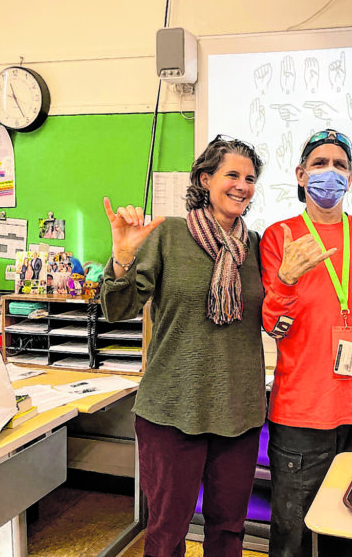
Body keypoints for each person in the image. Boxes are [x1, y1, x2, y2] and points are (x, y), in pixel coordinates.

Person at [100, 135, 266, 557]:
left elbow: (276, 313)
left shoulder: (257, 247)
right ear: (206, 179)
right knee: (167, 532)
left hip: (238, 411)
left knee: (229, 531)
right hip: (172, 410)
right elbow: (116, 309)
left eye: (250, 178)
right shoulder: (169, 235)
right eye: (232, 174)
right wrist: (121, 257)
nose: (242, 185)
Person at [260, 128, 352, 557]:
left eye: (339, 165)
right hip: (300, 414)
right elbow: (273, 325)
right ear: (301, 174)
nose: (330, 173)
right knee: (293, 535)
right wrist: (287, 278)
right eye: (320, 164)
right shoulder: (279, 237)